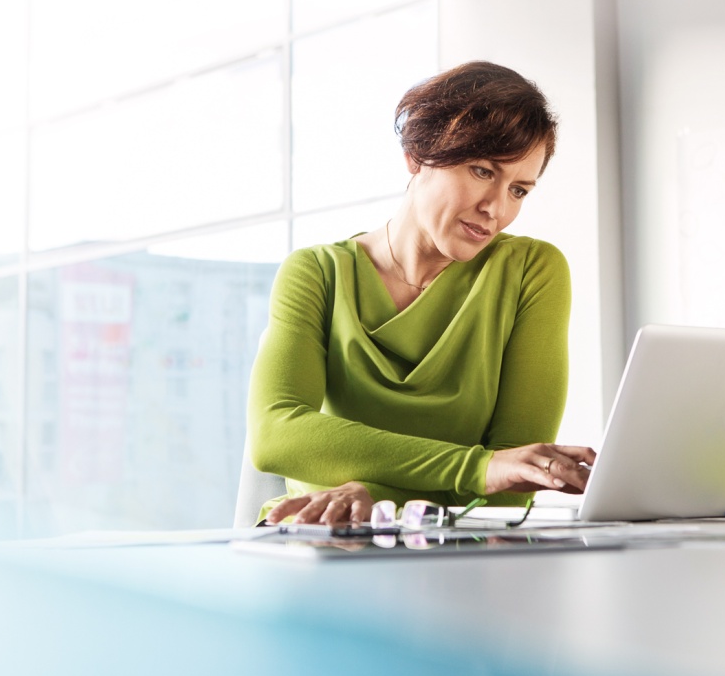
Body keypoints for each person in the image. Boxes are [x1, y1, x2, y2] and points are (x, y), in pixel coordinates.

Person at [246, 60, 596, 526]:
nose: (496, 208)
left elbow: (513, 485)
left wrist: (381, 501)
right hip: (320, 535)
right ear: (417, 156)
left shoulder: (531, 271)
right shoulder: (317, 273)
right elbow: (275, 435)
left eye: (519, 190)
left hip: (458, 548)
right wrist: (477, 469)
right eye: (481, 171)